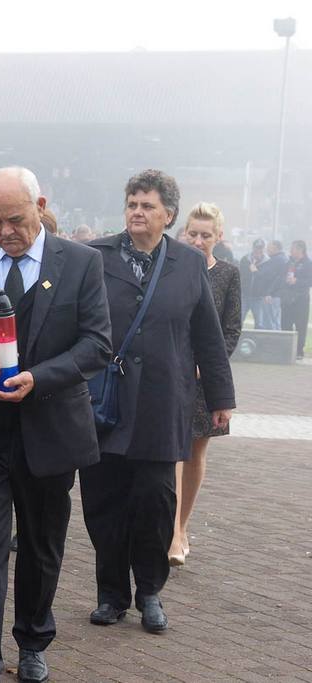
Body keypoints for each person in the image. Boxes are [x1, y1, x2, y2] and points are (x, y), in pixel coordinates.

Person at [0, 167, 111, 683]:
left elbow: (97, 344)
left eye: (15, 219)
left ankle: (33, 638)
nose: (6, 231)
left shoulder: (81, 263)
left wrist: (40, 377)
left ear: (41, 205)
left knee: (40, 545)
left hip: (49, 433)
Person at [81, 169, 234, 635]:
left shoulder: (188, 263)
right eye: (132, 203)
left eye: (147, 206)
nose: (137, 212)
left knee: (155, 500)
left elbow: (207, 335)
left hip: (162, 404)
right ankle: (111, 594)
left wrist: (221, 398)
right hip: (106, 402)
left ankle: (149, 591)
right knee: (103, 500)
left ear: (168, 215)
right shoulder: (96, 257)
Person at [167, 202, 242, 566]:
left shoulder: (228, 274)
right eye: (192, 234)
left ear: (219, 237)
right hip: (172, 374)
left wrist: (205, 368)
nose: (198, 241)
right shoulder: (174, 266)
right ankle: (170, 533)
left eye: (206, 235)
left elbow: (230, 329)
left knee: (195, 453)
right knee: (173, 452)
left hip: (205, 379)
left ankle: (182, 527)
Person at [282, 240, 311, 360]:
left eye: (293, 248)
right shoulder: (289, 262)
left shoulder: (308, 264)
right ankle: (286, 350)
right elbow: (282, 276)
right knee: (285, 324)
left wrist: (297, 281)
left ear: (300, 249)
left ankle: (299, 351)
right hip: (287, 298)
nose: (290, 251)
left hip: (301, 300)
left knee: (300, 326)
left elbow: (309, 281)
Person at [253, 240, 288, 330]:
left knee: (270, 322)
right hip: (275, 295)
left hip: (271, 296)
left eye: (269, 246)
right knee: (274, 321)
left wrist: (255, 270)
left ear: (275, 247)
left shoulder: (277, 260)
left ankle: (272, 339)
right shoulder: (281, 259)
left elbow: (267, 277)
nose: (267, 249)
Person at [238, 239, 266, 327]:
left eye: (260, 248)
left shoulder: (267, 261)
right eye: (257, 248)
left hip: (258, 297)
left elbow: (266, 278)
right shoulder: (245, 259)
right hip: (244, 295)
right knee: (239, 319)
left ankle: (259, 336)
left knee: (259, 322)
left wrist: (255, 271)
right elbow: (241, 275)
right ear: (253, 248)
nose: (258, 250)